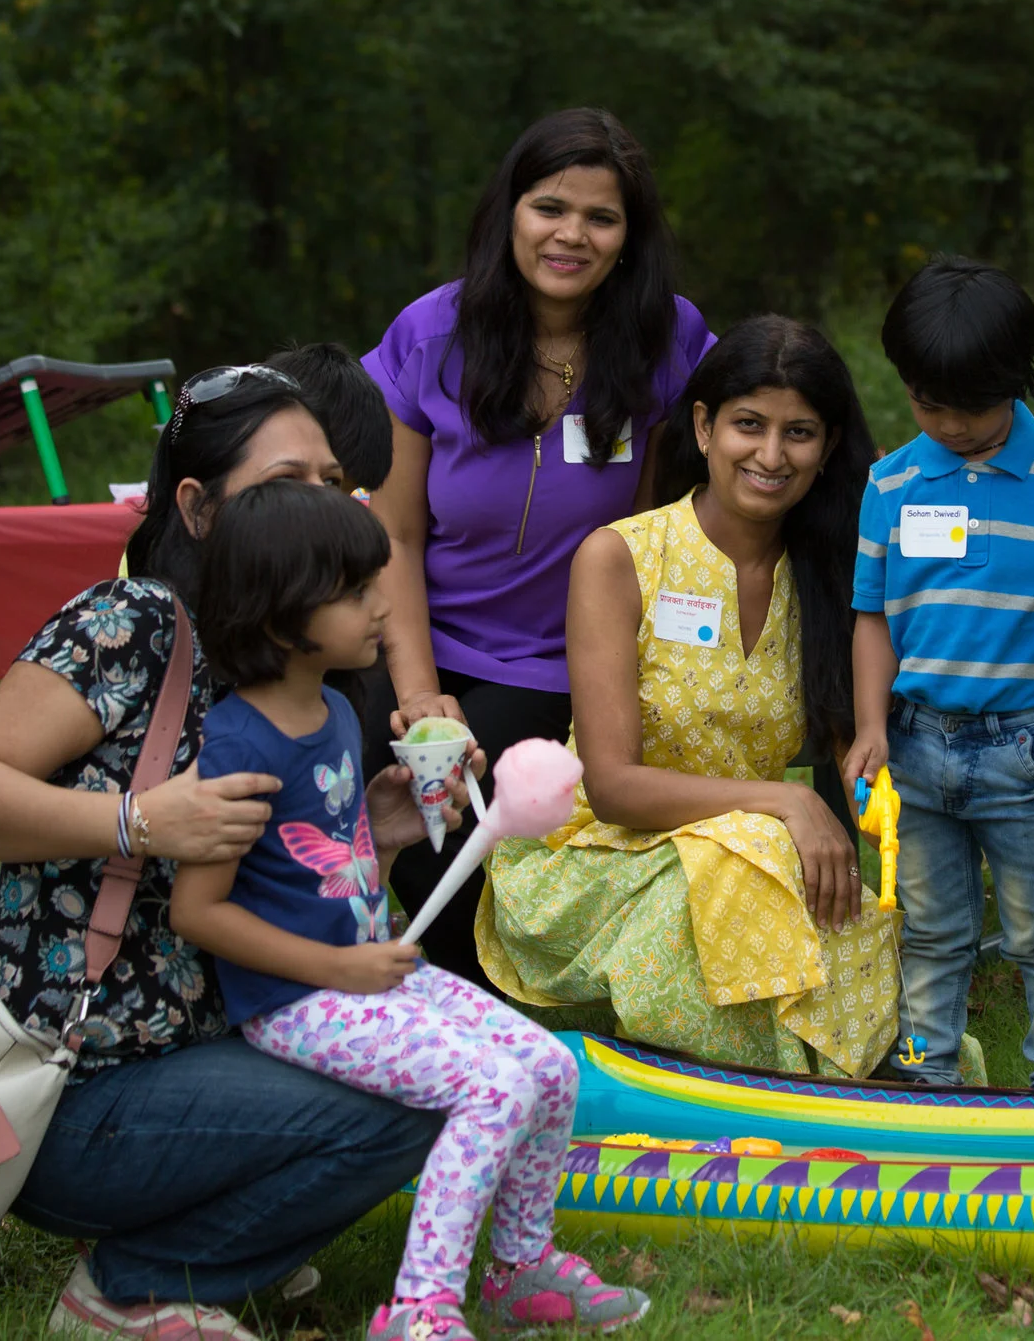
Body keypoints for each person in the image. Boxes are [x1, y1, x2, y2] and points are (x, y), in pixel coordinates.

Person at [0, 362, 467, 1341]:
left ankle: (223, 1230)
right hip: (74, 1084)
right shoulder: (132, 625)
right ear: (198, 508)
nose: (322, 503)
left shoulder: (299, 671)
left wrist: (369, 839)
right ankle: (130, 1285)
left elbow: (300, 917)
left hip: (229, 1052)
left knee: (438, 1062)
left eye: (333, 482)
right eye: (287, 481)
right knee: (410, 1097)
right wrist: (136, 822)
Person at [172, 483, 649, 1341]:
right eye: (355, 591)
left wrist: (385, 833)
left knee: (549, 1064)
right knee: (493, 1087)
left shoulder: (333, 712)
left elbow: (332, 869)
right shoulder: (238, 742)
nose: (381, 606)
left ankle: (518, 1268)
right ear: (282, 616)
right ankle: (420, 1308)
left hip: (365, 975)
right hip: (295, 1000)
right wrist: (339, 967)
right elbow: (197, 910)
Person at [478, 315, 904, 1077]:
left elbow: (856, 752)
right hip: (598, 857)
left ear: (828, 446)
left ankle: (840, 1083)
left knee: (837, 912)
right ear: (704, 427)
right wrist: (784, 803)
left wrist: (886, 825)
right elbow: (612, 787)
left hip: (753, 859)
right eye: (749, 424)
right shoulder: (621, 556)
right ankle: (768, 1087)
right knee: (746, 866)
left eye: (799, 433)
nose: (771, 455)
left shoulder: (829, 573)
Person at [365, 108, 715, 985]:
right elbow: (395, 531)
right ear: (509, 212)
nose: (571, 235)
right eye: (549, 207)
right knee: (330, 761)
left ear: (630, 237)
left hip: (562, 661)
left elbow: (663, 520)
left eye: (601, 217)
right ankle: (318, 968)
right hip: (418, 635)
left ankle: (475, 989)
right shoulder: (431, 334)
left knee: (460, 816)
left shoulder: (667, 339)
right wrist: (420, 694)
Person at [845, 258, 1034, 1093]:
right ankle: (927, 1080)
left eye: (971, 406)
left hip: (1028, 747)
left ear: (1017, 380)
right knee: (930, 930)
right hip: (917, 746)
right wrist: (870, 727)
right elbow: (871, 615)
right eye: (928, 403)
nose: (951, 425)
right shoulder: (890, 481)